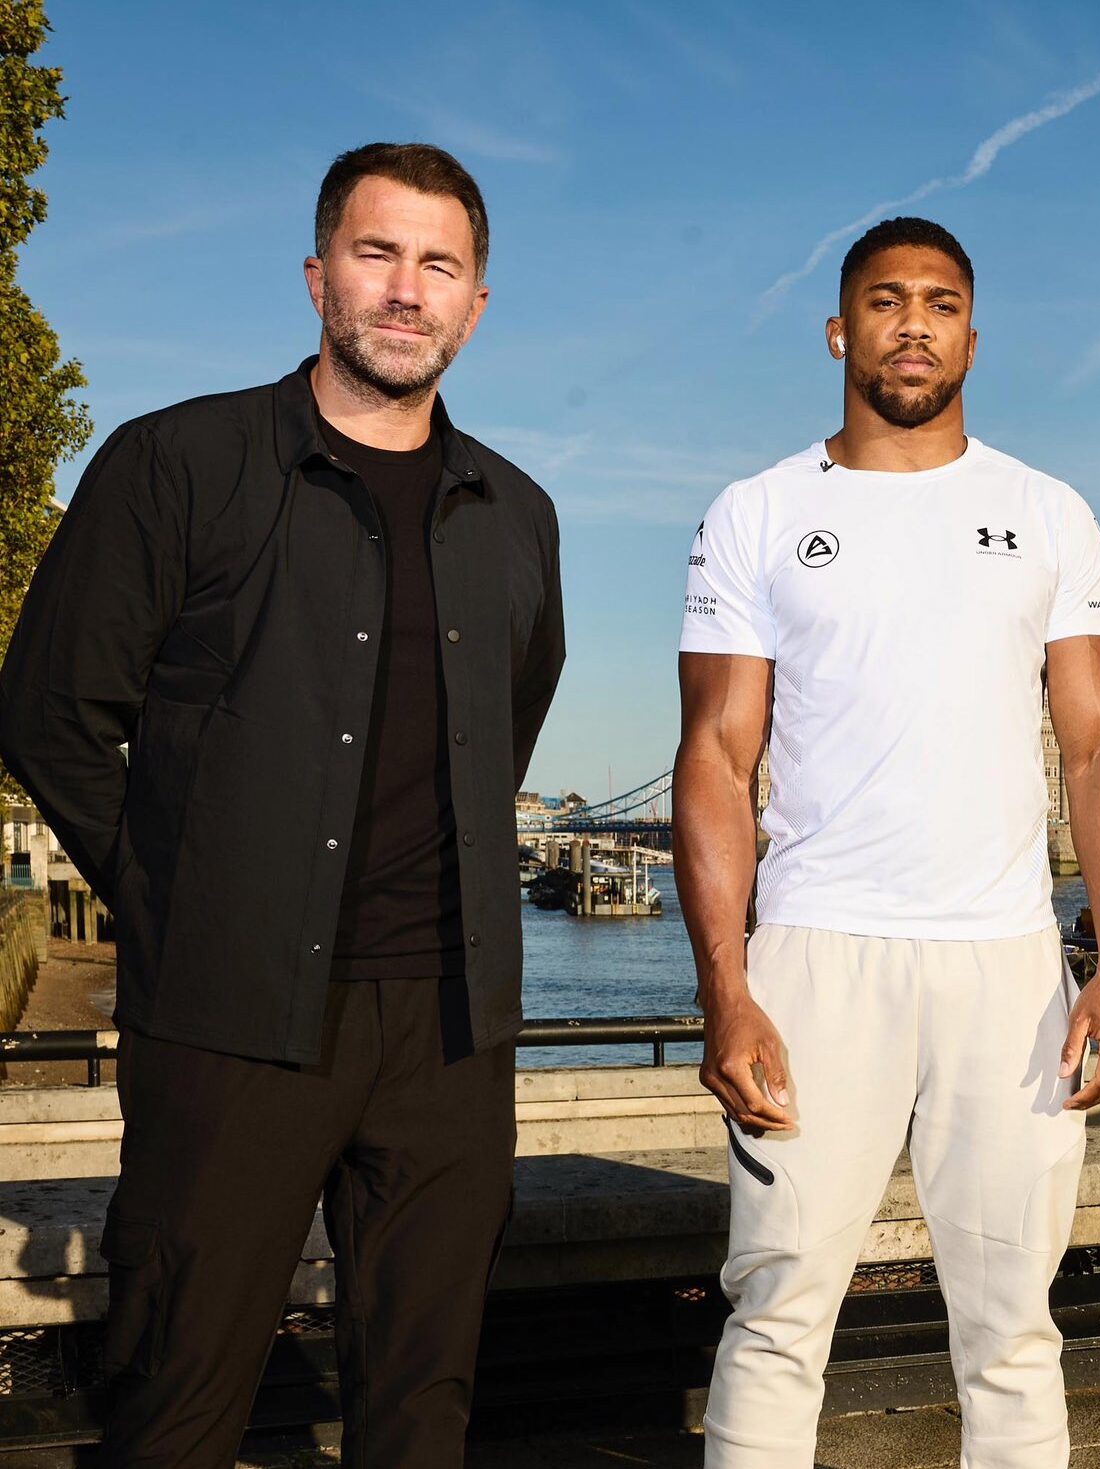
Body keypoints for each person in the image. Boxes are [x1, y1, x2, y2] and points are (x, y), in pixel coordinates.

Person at [0, 142, 565, 1466]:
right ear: (319, 274)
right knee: (181, 1394)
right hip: (233, 1020)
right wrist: (173, 897)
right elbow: (49, 711)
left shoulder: (518, 515)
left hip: (450, 1033)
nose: (406, 291)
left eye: (441, 265)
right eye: (378, 255)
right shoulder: (177, 466)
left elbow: (504, 738)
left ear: (479, 303)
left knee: (422, 1406)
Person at [674, 216, 1100, 1469]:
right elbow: (717, 757)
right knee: (778, 1317)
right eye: (885, 301)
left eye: (939, 303)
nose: (912, 325)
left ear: (972, 340)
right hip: (817, 955)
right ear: (841, 330)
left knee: (1011, 1330)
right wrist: (724, 988)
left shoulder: (1046, 511)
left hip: (1004, 963)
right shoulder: (758, 510)